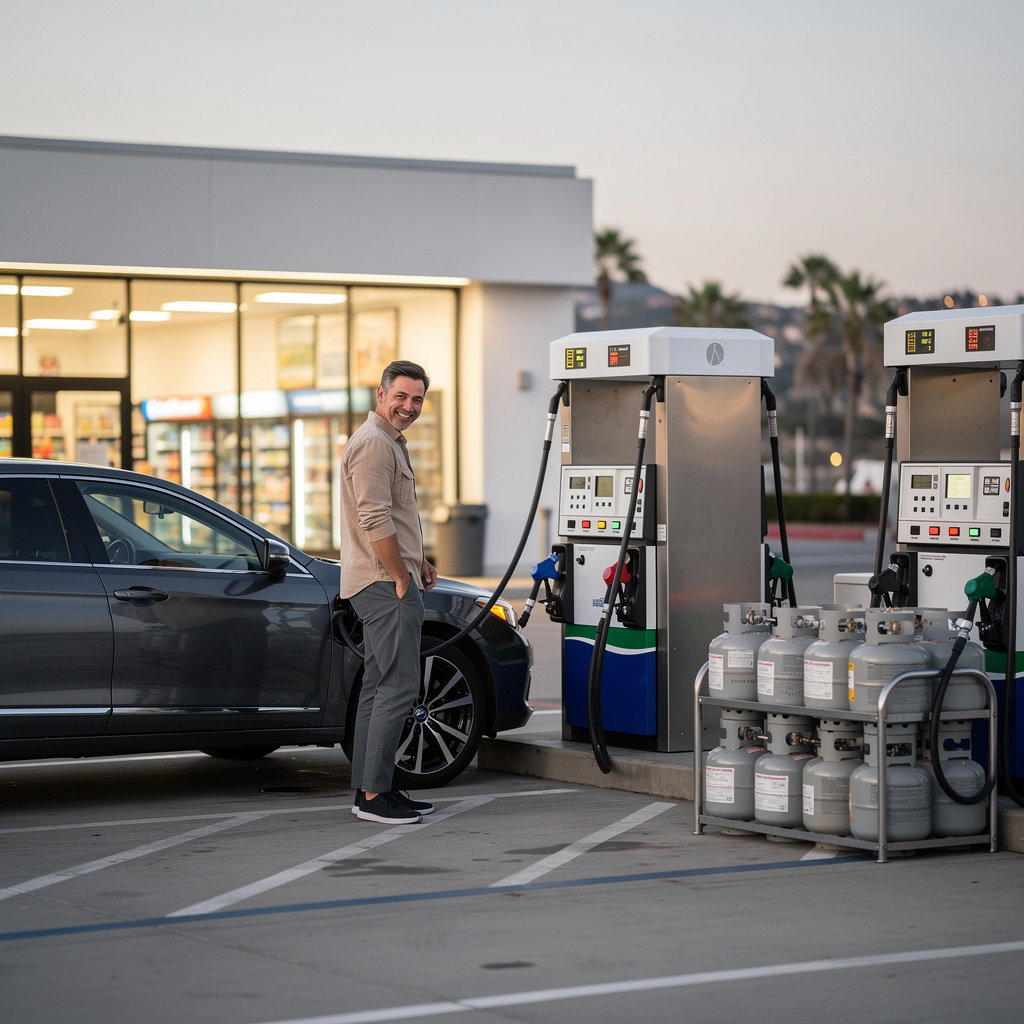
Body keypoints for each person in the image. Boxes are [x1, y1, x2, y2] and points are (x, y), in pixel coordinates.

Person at [339, 360, 439, 824]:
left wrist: (419, 562)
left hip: (384, 576)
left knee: (380, 686)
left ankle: (371, 789)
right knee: (400, 686)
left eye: (416, 399)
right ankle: (376, 797)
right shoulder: (375, 444)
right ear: (380, 395)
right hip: (383, 583)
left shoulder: (385, 442)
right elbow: (374, 519)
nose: (409, 406)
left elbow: (392, 517)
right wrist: (402, 574)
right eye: (400, 396)